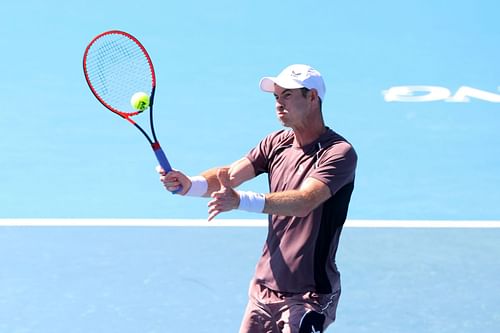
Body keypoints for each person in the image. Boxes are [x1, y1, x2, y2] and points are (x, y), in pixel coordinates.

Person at [157, 64, 357, 333]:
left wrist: (241, 201)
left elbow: (305, 201)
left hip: (309, 296)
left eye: (287, 95)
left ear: (312, 97)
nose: (278, 104)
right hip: (263, 289)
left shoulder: (338, 153)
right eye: (276, 97)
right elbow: (229, 175)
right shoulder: (276, 143)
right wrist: (190, 184)